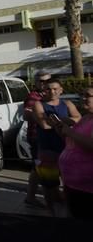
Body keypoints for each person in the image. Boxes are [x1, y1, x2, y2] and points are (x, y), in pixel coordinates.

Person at [33, 77, 80, 216]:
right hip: (47, 149)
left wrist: (59, 120)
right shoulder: (39, 104)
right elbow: (44, 125)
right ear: (44, 90)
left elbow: (78, 119)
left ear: (61, 90)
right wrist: (65, 122)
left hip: (67, 149)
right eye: (49, 89)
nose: (52, 91)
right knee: (49, 184)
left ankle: (69, 208)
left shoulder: (67, 104)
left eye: (55, 89)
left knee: (69, 182)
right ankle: (50, 211)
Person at [53, 87, 93, 218]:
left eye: (88, 95)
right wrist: (61, 130)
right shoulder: (86, 118)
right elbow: (72, 142)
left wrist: (69, 132)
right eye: (82, 94)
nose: (83, 98)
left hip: (87, 189)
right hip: (72, 185)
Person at [23, 71, 51, 208]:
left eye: (47, 81)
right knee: (39, 167)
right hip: (37, 137)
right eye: (41, 81)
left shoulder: (48, 95)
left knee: (41, 167)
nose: (44, 83)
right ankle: (33, 197)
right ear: (36, 83)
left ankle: (33, 197)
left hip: (50, 137)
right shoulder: (33, 97)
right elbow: (27, 115)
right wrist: (44, 120)